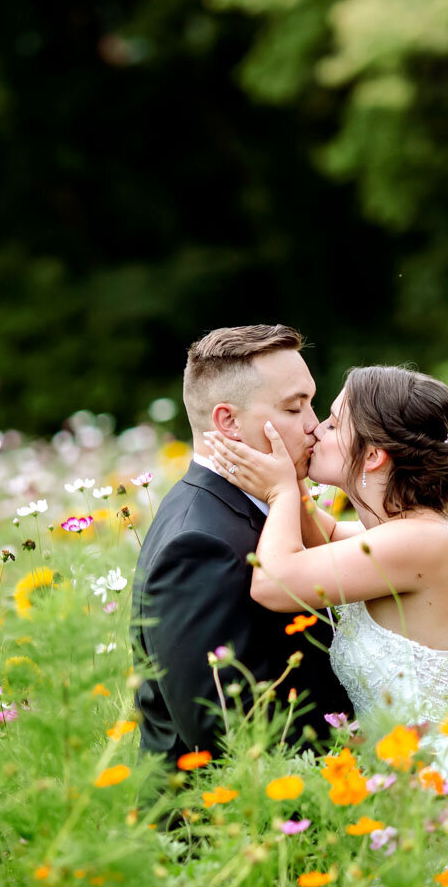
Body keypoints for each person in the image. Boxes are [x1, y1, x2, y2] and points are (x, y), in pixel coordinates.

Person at [204, 364, 448, 857]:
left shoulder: (417, 541)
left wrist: (277, 493)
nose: (316, 428)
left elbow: (275, 584)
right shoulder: (408, 531)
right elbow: (325, 537)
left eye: (335, 423)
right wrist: (291, 482)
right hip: (414, 788)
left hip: (447, 801)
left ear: (375, 455)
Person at [131, 324, 352, 767]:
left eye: (311, 402)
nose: (314, 427)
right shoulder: (198, 543)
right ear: (228, 422)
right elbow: (220, 732)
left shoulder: (263, 509)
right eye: (295, 408)